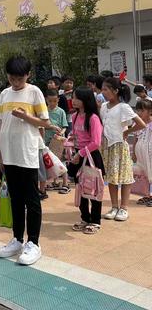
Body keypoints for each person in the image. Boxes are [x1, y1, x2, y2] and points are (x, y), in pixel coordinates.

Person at [0, 56, 60, 266]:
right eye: (12, 77)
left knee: (32, 200)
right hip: (9, 153)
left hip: (27, 153)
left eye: (20, 78)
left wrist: (25, 116)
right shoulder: (5, 94)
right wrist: (1, 155)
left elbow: (45, 122)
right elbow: (0, 125)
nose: (16, 82)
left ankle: (34, 242)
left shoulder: (34, 92)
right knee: (15, 199)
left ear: (28, 75)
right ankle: (17, 239)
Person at [101, 77, 146, 221]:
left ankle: (124, 208)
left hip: (120, 145)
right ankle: (114, 206)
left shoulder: (123, 107)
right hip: (107, 146)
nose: (103, 92)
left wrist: (127, 132)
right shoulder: (103, 106)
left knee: (125, 177)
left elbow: (141, 124)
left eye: (106, 89)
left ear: (115, 91)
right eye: (102, 89)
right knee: (111, 178)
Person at [69, 87, 105, 235]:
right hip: (78, 155)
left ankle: (95, 221)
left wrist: (81, 153)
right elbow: (76, 134)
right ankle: (85, 218)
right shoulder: (75, 116)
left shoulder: (93, 118)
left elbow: (96, 142)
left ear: (85, 100)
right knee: (80, 188)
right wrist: (70, 138)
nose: (73, 100)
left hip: (91, 157)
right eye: (73, 97)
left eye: (76, 98)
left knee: (94, 188)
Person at [44, 89, 69, 194]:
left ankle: (65, 183)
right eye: (50, 101)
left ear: (58, 100)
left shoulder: (61, 111)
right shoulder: (44, 111)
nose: (52, 103)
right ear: (46, 100)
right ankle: (51, 182)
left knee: (61, 162)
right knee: (48, 162)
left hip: (58, 141)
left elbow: (64, 126)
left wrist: (61, 133)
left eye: (55, 101)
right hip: (47, 140)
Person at [132, 99, 152, 206]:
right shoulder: (138, 124)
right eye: (137, 110)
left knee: (151, 173)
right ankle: (147, 195)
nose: (139, 113)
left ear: (150, 111)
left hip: (150, 154)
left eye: (142, 110)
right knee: (144, 175)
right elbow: (136, 138)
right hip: (141, 155)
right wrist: (134, 153)